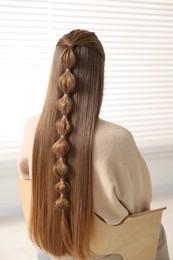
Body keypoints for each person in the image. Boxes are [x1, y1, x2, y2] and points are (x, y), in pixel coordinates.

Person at [18, 29, 169, 260]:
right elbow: (140, 207)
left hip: (50, 250)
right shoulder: (117, 140)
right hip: (107, 254)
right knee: (156, 231)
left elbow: (28, 184)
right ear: (98, 77)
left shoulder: (32, 128)